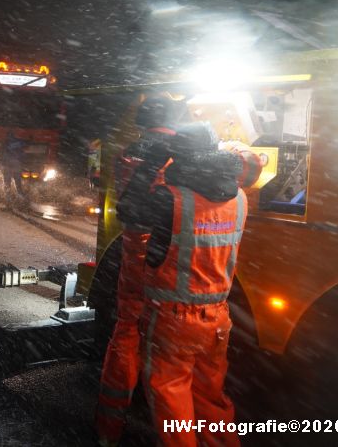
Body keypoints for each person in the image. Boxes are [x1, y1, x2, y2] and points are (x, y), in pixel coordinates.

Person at [139, 122, 247, 447]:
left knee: (172, 403)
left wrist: (153, 163)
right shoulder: (239, 197)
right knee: (211, 398)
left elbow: (131, 214)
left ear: (178, 155)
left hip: (174, 321)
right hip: (218, 321)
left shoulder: (169, 198)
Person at [95, 96, 184, 445]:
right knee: (162, 340)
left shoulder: (131, 150)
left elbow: (127, 198)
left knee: (128, 326)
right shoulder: (175, 152)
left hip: (132, 244)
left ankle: (109, 428)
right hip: (163, 246)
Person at [0, 132, 26, 201]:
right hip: (16, 165)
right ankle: (21, 198)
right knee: (18, 183)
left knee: (7, 183)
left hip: (7, 165)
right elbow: (22, 152)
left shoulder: (5, 143)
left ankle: (8, 199)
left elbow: (1, 154)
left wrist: (1, 164)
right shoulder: (18, 142)